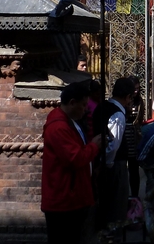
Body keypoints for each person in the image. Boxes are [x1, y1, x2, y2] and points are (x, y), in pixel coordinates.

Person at [42, 82, 103, 242]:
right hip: (64, 201)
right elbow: (74, 158)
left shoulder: (70, 122)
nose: (85, 109)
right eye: (83, 105)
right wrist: (94, 147)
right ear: (72, 103)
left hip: (73, 197)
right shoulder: (59, 127)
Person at [92, 77, 134, 226]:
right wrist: (106, 164)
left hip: (101, 161)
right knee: (115, 205)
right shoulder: (117, 114)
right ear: (128, 97)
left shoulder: (102, 107)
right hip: (113, 165)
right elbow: (113, 145)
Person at [124, 75, 145, 197]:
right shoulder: (123, 100)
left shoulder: (139, 101)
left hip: (134, 136)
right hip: (123, 134)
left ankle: (135, 196)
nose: (136, 91)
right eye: (134, 88)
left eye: (138, 88)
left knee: (134, 168)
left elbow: (140, 119)